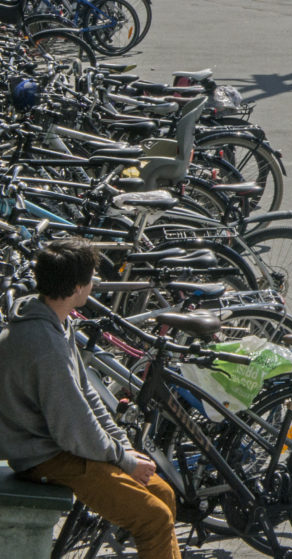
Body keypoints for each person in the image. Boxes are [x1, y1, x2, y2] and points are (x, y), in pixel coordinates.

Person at [0, 238, 180, 559]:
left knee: (161, 493)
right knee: (154, 518)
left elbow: (87, 395)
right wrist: (122, 460)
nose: (94, 284)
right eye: (91, 279)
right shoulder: (45, 347)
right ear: (76, 288)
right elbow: (74, 427)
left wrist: (122, 447)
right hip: (47, 458)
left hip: (64, 447)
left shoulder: (55, 319)